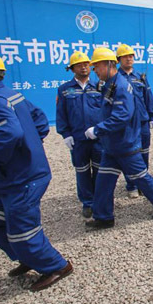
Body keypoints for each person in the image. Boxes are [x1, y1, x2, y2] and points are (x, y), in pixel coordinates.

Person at [0, 48, 73, 292]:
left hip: (23, 179)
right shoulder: (9, 95)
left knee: (23, 231)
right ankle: (29, 258)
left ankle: (57, 266)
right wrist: (28, 146)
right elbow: (39, 120)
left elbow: (10, 132)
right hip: (10, 178)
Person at [84, 47, 153, 229]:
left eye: (97, 66)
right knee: (103, 182)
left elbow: (121, 116)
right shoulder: (111, 84)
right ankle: (104, 217)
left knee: (140, 177)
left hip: (125, 144)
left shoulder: (121, 86)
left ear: (109, 65)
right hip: (112, 145)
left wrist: (98, 129)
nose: (95, 71)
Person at [56, 51, 103, 219]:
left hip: (98, 138)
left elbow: (106, 112)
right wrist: (65, 134)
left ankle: (100, 200)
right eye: (79, 65)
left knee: (100, 170)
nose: (83, 67)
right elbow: (61, 114)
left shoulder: (99, 86)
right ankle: (88, 203)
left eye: (86, 64)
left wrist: (103, 130)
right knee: (82, 171)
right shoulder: (65, 90)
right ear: (72, 68)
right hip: (78, 139)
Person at [116, 43, 153, 198]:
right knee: (130, 154)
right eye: (125, 56)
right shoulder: (116, 78)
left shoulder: (140, 77)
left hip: (142, 121)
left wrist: (152, 116)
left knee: (144, 152)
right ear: (118, 59)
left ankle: (143, 183)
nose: (129, 59)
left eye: (131, 56)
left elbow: (148, 97)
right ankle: (131, 184)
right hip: (126, 124)